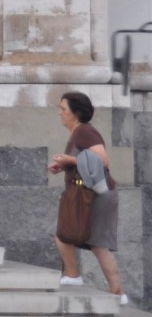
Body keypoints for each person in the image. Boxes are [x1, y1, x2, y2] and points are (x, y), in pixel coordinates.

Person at [48, 91, 127, 305]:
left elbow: (103, 161)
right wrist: (64, 165)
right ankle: (80, 278)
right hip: (87, 194)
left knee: (92, 242)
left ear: (75, 113)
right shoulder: (79, 132)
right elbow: (85, 161)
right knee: (71, 237)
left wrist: (68, 159)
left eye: (63, 109)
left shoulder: (85, 132)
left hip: (96, 196)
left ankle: (114, 291)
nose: (60, 113)